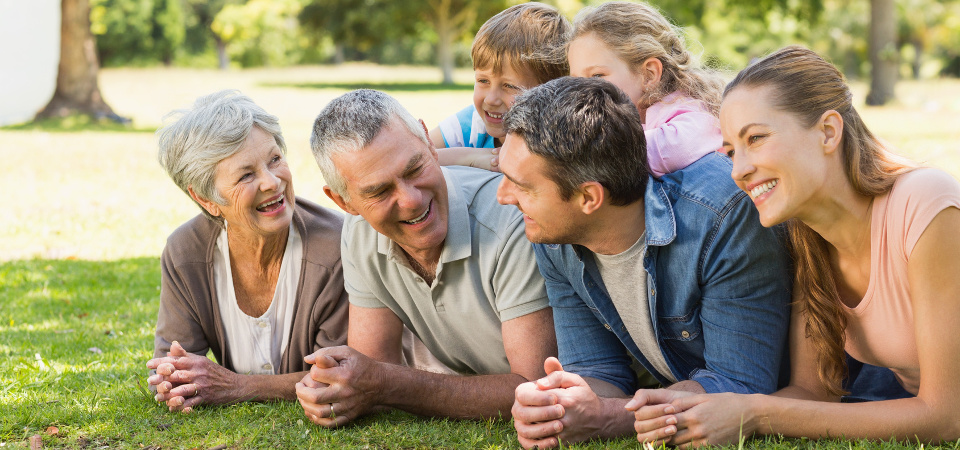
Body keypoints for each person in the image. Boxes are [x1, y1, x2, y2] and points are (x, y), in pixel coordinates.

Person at [628, 46, 960, 446]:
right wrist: (696, 411)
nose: (739, 170)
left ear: (828, 131)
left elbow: (946, 417)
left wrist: (757, 413)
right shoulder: (808, 238)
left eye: (757, 138)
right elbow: (811, 394)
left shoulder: (926, 205)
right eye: (731, 151)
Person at [496, 76, 792, 448]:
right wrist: (561, 403)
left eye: (521, 186)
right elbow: (596, 369)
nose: (503, 196)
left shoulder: (721, 216)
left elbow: (736, 385)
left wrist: (607, 418)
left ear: (589, 197)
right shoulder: (555, 235)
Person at [295, 89, 556, 427]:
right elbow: (373, 367)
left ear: (429, 144)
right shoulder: (359, 233)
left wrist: (388, 384)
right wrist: (340, 389)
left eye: (415, 168)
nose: (411, 200)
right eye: (379, 191)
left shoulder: (511, 221)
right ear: (345, 203)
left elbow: (535, 389)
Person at [146, 90, 348, 413]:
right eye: (246, 175)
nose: (272, 182)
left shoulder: (337, 247)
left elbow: (339, 378)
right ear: (206, 199)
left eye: (275, 160)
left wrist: (235, 387)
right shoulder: (185, 253)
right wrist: (173, 379)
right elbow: (173, 365)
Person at [566, 1, 723, 177]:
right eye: (576, 81)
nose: (581, 90)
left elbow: (682, 145)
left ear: (649, 74)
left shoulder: (681, 106)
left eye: (597, 76)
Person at [428, 2, 570, 171]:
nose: (491, 99)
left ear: (551, 90)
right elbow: (416, 155)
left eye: (509, 86)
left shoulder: (558, 139)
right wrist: (470, 157)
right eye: (483, 81)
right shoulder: (473, 123)